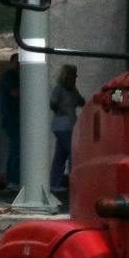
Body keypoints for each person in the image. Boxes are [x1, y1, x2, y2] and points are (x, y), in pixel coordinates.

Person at [50, 63, 83, 194]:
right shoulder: (60, 89)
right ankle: (74, 182)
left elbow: (81, 101)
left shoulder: (73, 90)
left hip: (68, 126)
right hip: (62, 126)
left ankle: (55, 183)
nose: (75, 78)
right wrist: (63, 110)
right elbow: (53, 103)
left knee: (60, 156)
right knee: (73, 152)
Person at [0, 55, 21, 191]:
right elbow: (14, 92)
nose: (19, 64)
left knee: (17, 148)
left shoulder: (16, 75)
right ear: (12, 62)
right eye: (18, 61)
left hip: (16, 118)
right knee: (16, 148)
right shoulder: (9, 75)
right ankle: (12, 179)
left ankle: (14, 179)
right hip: (12, 118)